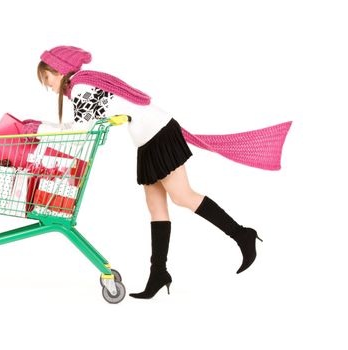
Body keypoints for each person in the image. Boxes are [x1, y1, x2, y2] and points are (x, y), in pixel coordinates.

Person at [27, 45, 291, 299]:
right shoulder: (84, 83)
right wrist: (40, 126)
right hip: (147, 139)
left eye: (47, 78)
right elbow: (83, 125)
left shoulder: (83, 86)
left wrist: (37, 130)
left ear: (59, 71)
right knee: (156, 208)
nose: (48, 86)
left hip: (159, 135)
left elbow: (79, 132)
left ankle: (242, 234)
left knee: (182, 196)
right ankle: (159, 272)